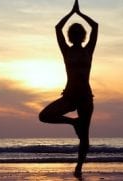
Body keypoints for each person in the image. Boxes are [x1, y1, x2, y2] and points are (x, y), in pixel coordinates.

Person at [39, 0, 98, 177]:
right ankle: (73, 122)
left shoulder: (89, 50)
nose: (78, 34)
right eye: (75, 32)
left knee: (84, 137)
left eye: (80, 32)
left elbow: (95, 26)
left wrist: (79, 14)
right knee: (44, 115)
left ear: (84, 35)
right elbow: (58, 28)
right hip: (70, 95)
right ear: (72, 36)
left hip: (86, 97)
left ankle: (78, 169)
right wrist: (72, 13)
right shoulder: (66, 51)